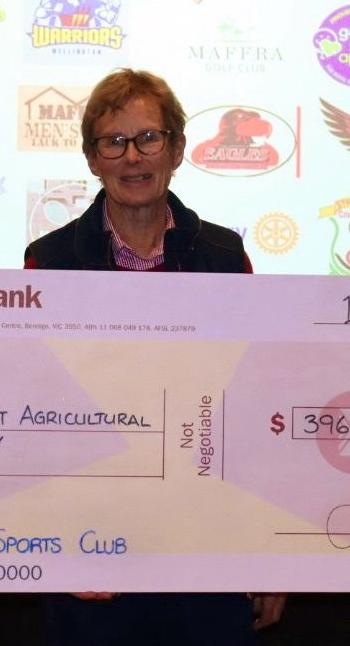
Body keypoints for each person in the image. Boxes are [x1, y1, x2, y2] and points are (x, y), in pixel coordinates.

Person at [24, 68, 285, 645]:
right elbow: (37, 420)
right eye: (113, 142)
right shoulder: (50, 261)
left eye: (149, 138)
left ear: (178, 149)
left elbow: (248, 404)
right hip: (91, 557)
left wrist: (269, 551)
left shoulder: (223, 254)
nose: (133, 157)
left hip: (206, 554)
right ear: (92, 158)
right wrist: (58, 543)